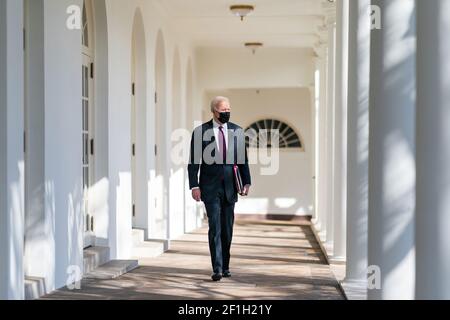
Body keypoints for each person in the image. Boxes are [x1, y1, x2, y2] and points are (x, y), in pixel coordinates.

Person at [188, 96, 252, 282]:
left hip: (231, 187)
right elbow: (193, 162)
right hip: (209, 188)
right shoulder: (201, 132)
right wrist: (194, 185)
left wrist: (246, 182)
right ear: (214, 111)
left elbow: (243, 161)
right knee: (215, 227)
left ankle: (225, 266)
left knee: (227, 229)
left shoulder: (237, 131)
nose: (226, 113)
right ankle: (216, 268)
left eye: (228, 110)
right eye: (222, 111)